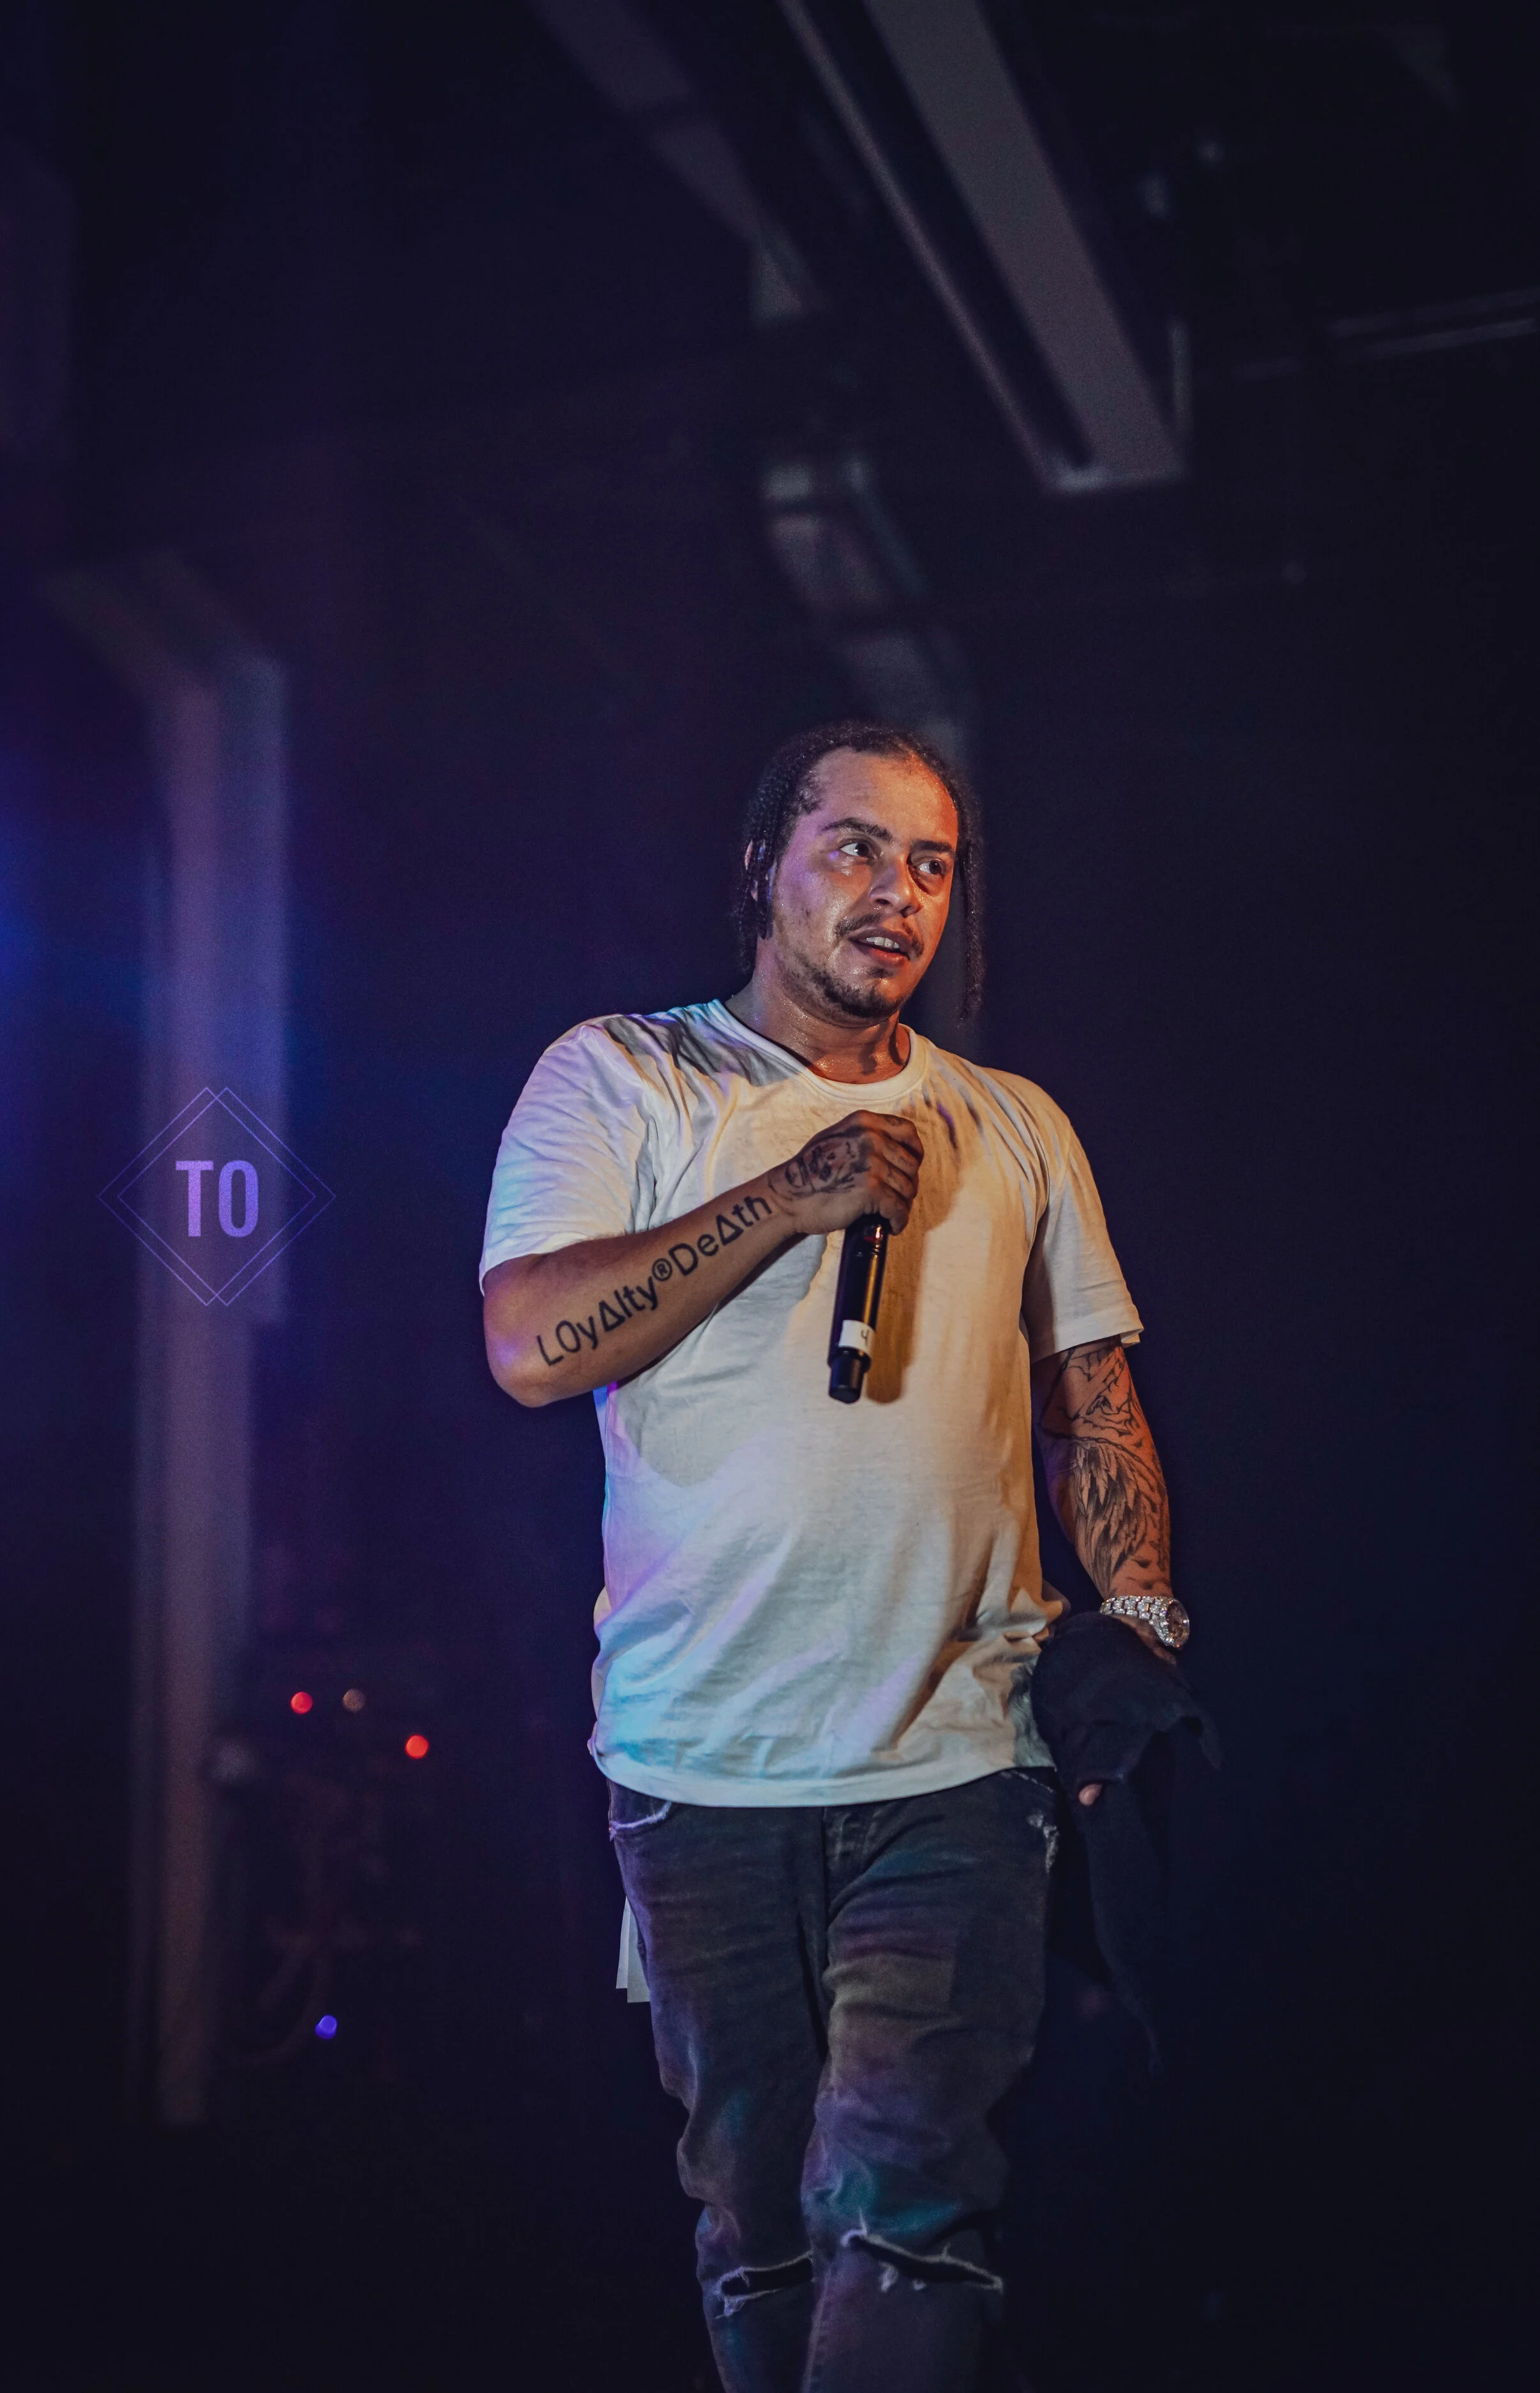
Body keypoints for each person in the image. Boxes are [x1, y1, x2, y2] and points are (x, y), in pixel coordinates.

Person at [480, 721, 1186, 2393]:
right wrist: (782, 1199)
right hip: (699, 1757)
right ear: (761, 868)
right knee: (760, 2221)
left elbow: (1096, 1396)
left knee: (907, 2193)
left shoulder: (1011, 1125)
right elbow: (526, 1345)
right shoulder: (623, 1076)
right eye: (855, 847)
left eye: (930, 863)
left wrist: (1144, 1623)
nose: (896, 892)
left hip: (955, 1752)